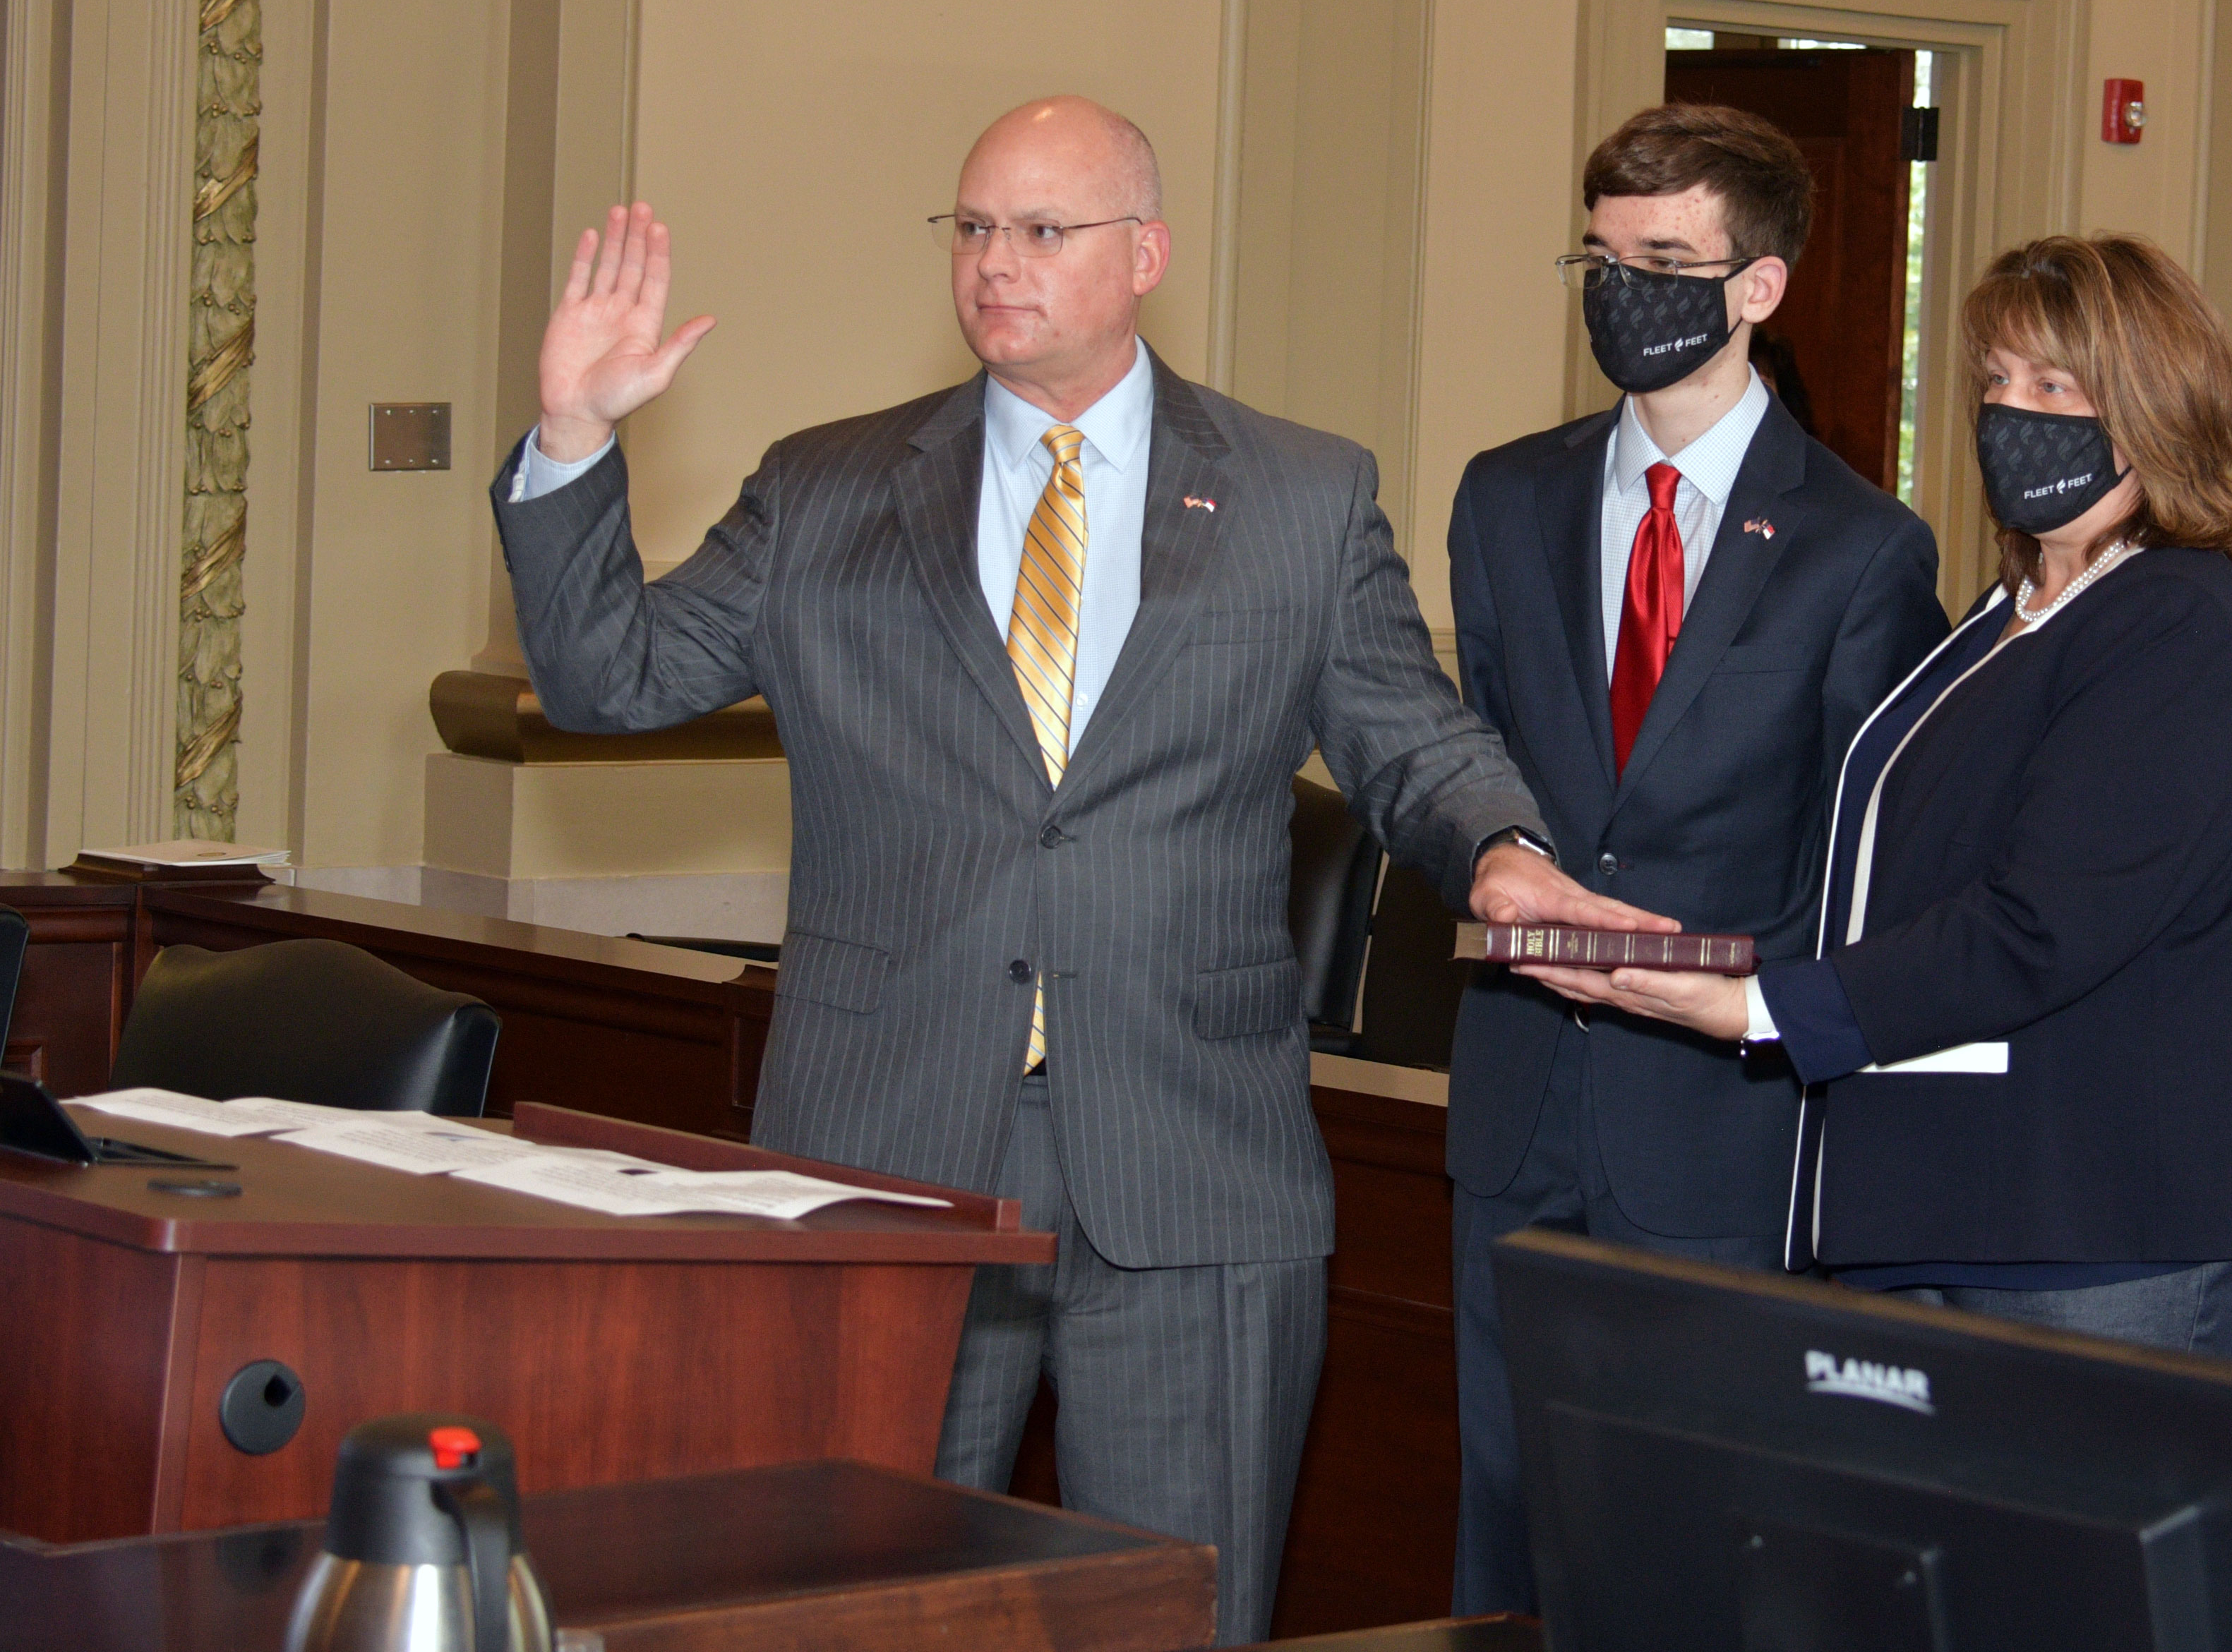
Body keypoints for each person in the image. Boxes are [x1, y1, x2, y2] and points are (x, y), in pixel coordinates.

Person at [488, 96, 1652, 1644]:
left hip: (1189, 1159)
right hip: (885, 1160)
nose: (995, 264)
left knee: (1176, 1613)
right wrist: (575, 436)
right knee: (841, 1614)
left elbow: (1407, 734)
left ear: (1145, 256)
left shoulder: (1298, 498)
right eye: (971, 229)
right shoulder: (828, 489)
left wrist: (1503, 850)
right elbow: (605, 679)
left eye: (1042, 230)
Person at [1530, 231, 2232, 1362]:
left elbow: (2044, 923)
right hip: (1960, 1200)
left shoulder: (2179, 624)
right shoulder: (2005, 614)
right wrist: (1700, 961)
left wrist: (1764, 1009)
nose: (2012, 412)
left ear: (2155, 406)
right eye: (1997, 382)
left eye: (2054, 385)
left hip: (2109, 1219)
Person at [1443, 103, 1947, 1611]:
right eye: (1600, 256)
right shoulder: (1505, 498)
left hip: (1719, 1129)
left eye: (1663, 258)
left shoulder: (1862, 547)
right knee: (1509, 1524)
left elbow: (1867, 861)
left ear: (1759, 287)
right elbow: (1466, 770)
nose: (1622, 288)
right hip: (1520, 1102)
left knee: (1698, 1544)